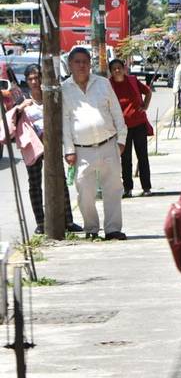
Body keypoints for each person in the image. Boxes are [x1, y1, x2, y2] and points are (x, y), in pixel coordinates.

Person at [1, 65, 82, 234]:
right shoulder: (21, 98)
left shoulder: (51, 96)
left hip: (52, 144)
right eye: (30, 78)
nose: (34, 81)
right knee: (35, 184)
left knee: (59, 180)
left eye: (37, 77)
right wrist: (20, 107)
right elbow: (10, 121)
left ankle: (68, 220)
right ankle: (41, 223)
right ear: (26, 80)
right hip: (32, 146)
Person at [62, 47, 128, 240]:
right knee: (84, 193)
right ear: (70, 65)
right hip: (82, 150)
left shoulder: (103, 84)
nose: (82, 65)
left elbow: (116, 112)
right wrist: (69, 150)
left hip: (109, 144)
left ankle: (113, 229)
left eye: (85, 61)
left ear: (90, 64)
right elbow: (65, 122)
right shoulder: (65, 89)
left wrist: (121, 140)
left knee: (113, 189)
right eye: (77, 62)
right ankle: (91, 229)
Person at [108, 59, 153, 198]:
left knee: (142, 156)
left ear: (124, 68)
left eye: (119, 68)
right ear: (111, 71)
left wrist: (144, 106)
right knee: (125, 158)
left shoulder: (133, 80)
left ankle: (146, 187)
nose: (117, 71)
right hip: (121, 128)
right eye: (114, 68)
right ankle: (128, 188)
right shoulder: (108, 85)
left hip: (138, 124)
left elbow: (148, 92)